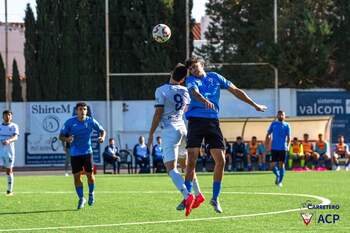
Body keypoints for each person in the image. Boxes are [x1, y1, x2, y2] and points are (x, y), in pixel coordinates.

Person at [184, 56, 267, 213]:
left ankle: (215, 199)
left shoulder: (215, 77)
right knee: (191, 160)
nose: (194, 70)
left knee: (221, 160)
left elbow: (235, 90)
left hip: (212, 122)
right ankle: (187, 196)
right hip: (195, 121)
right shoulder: (190, 80)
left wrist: (254, 105)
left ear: (202, 65)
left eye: (196, 67)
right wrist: (204, 100)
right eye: (192, 69)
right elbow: (194, 93)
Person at [148, 63, 203, 217]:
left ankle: (187, 196)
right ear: (183, 79)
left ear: (171, 72)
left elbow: (158, 114)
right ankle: (198, 194)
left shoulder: (161, 90)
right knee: (186, 166)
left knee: (171, 168)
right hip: (183, 129)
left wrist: (151, 133)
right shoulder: (185, 90)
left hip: (170, 130)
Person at [59, 102, 105, 209]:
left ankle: (91, 193)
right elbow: (61, 136)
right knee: (76, 177)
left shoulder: (90, 121)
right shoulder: (70, 122)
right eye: (80, 109)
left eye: (84, 109)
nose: (83, 111)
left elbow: (102, 131)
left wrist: (102, 137)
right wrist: (67, 139)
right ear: (76, 111)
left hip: (87, 152)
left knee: (90, 176)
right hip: (75, 153)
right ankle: (81, 198)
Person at [265, 110, 291, 187]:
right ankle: (278, 175)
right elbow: (268, 134)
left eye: (282, 115)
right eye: (279, 115)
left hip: (283, 148)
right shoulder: (273, 124)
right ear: (277, 116)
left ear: (284, 116)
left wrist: (288, 146)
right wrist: (267, 143)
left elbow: (289, 137)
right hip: (274, 148)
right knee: (272, 166)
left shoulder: (287, 125)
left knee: (281, 165)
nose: (281, 116)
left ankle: (280, 181)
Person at [0, 110, 19, 196]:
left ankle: (9, 190)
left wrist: (9, 140)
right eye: (6, 115)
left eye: (9, 115)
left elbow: (15, 137)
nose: (7, 117)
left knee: (9, 170)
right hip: (0, 151)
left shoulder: (14, 126)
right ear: (2, 116)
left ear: (11, 117)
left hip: (9, 152)